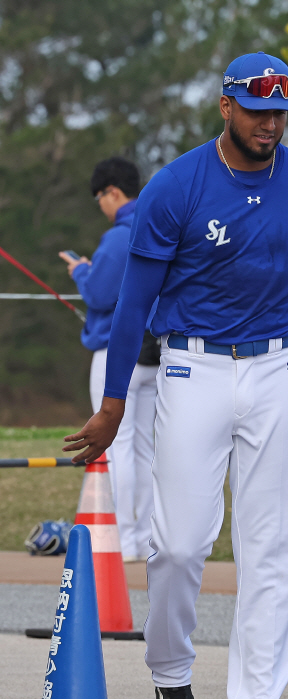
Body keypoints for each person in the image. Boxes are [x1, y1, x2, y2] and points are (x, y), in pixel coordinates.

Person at [63, 52, 288, 699]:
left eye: (281, 112)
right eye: (257, 110)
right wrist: (111, 405)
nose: (269, 124)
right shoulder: (177, 186)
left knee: (270, 548)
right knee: (182, 542)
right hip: (192, 365)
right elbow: (132, 302)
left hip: (279, 368)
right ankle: (170, 674)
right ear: (226, 106)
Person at [59, 158, 159, 562]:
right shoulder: (157, 224)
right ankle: (149, 540)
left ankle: (124, 541)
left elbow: (99, 294)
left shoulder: (118, 238)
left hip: (118, 357)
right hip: (155, 355)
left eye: (100, 197)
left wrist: (83, 272)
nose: (101, 204)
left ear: (113, 192)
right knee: (149, 450)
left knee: (119, 449)